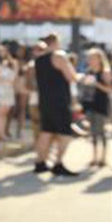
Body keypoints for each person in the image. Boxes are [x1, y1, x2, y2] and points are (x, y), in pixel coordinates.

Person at [33, 33, 79, 176]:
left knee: (46, 132)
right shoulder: (59, 56)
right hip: (59, 102)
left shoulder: (38, 60)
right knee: (66, 134)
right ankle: (58, 164)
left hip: (44, 102)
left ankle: (40, 163)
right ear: (55, 42)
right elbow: (72, 77)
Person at [79, 48, 111, 167]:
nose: (90, 60)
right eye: (89, 58)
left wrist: (96, 83)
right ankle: (94, 157)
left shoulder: (105, 72)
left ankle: (103, 158)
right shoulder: (88, 71)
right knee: (92, 133)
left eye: (93, 58)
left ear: (99, 59)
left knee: (101, 132)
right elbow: (85, 90)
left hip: (101, 105)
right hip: (89, 105)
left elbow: (109, 89)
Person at [0, 43, 18, 141]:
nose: (3, 53)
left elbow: (14, 75)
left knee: (5, 114)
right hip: (0, 90)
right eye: (0, 51)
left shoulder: (8, 65)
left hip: (8, 90)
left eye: (4, 51)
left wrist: (9, 57)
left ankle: (2, 133)